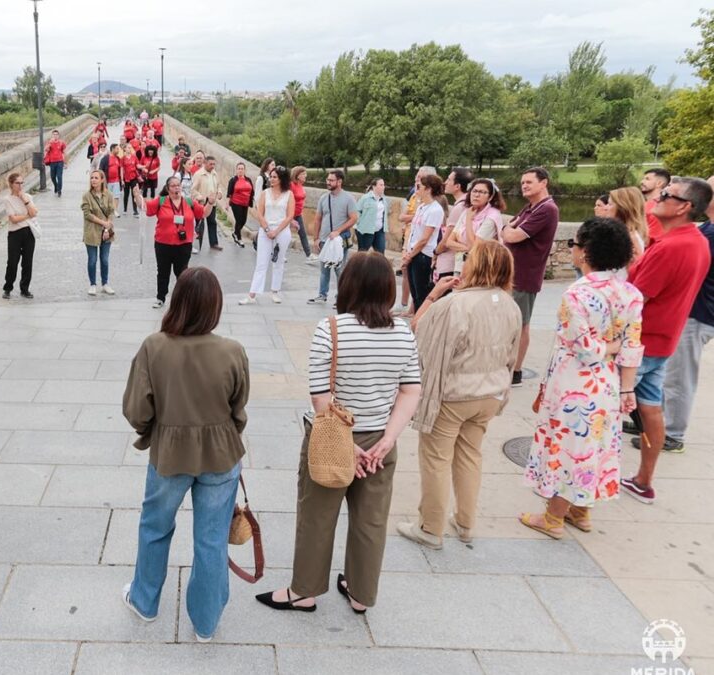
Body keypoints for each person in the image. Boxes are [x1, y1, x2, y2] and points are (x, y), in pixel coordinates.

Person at [257, 253, 421, 614]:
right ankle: (361, 594)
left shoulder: (330, 329)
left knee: (317, 516)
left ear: (348, 285)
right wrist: (388, 440)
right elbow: (410, 390)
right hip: (380, 441)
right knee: (371, 521)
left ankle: (304, 591)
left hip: (332, 439)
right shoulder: (403, 334)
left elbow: (321, 398)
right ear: (388, 289)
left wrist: (348, 445)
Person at [122, 267, 249, 642]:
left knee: (155, 526)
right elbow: (238, 409)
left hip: (170, 453)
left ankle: (145, 601)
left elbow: (136, 408)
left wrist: (152, 432)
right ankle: (206, 622)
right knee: (210, 538)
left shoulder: (154, 346)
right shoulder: (232, 351)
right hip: (221, 453)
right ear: (215, 306)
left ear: (177, 302)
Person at [520, 218, 644, 536]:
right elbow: (632, 346)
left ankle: (553, 518)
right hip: (608, 381)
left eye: (575, 245)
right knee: (595, 444)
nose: (573, 251)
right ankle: (581, 511)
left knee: (568, 447)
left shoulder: (577, 294)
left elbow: (586, 348)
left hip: (574, 380)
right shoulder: (631, 294)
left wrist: (607, 346)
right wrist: (627, 387)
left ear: (586, 251)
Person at [399, 241, 522, 548]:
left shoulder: (455, 304)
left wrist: (433, 294)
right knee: (470, 456)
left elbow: (418, 328)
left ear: (476, 266)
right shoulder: (510, 304)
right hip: (489, 393)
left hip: (454, 393)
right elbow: (512, 353)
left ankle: (430, 528)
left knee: (437, 459)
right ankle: (465, 523)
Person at [621, 177, 713, 503]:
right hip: (660, 342)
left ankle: (584, 490)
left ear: (685, 207)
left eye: (666, 194)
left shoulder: (674, 245)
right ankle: (643, 480)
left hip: (639, 344)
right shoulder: (696, 241)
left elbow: (635, 300)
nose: (657, 197)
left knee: (602, 410)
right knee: (651, 411)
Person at [659, 176, 714, 453]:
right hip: (693, 311)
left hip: (699, 314)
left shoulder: (710, 233)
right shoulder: (707, 229)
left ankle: (673, 433)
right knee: (670, 372)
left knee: (680, 376)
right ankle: (657, 421)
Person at [501, 167, 560, 386]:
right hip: (513, 272)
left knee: (521, 324)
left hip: (526, 275)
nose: (524, 185)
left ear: (543, 183)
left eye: (529, 182)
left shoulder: (547, 209)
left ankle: (515, 370)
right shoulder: (530, 207)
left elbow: (513, 234)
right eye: (522, 182)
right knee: (510, 322)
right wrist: (508, 231)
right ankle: (506, 365)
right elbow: (507, 230)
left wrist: (508, 231)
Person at [141, 176, 212, 309]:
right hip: (163, 243)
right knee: (163, 271)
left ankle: (183, 299)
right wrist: (136, 196)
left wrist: (211, 203)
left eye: (178, 185)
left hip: (184, 244)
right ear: (168, 189)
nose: (177, 188)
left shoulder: (189, 202)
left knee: (182, 273)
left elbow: (203, 213)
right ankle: (160, 298)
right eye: (173, 186)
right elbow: (146, 208)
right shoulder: (161, 201)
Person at [240, 166, 295, 305]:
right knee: (261, 263)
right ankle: (252, 294)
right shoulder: (265, 193)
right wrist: (266, 229)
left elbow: (290, 216)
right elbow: (260, 213)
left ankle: (275, 291)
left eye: (275, 177)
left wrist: (276, 231)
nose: (271, 179)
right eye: (271, 176)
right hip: (265, 230)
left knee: (278, 261)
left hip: (282, 231)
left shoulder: (289, 194)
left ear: (282, 179)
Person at [306, 170, 358, 305]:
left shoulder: (348, 198)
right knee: (324, 268)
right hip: (324, 239)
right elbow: (317, 219)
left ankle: (341, 298)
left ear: (339, 182)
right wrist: (316, 238)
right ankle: (322, 295)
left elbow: (354, 218)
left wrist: (338, 231)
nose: (328, 182)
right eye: (327, 180)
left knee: (339, 269)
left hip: (340, 240)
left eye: (331, 180)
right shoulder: (324, 198)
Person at [442, 178, 506, 276]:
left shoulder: (492, 217)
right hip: (460, 265)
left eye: (482, 192)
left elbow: (474, 246)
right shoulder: (468, 211)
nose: (476, 195)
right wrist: (468, 248)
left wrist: (468, 221)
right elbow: (449, 242)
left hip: (479, 268)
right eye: (474, 191)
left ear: (490, 197)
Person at [403, 174, 446, 312]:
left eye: (419, 186)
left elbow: (424, 239)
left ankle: (421, 322)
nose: (416, 189)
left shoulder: (435, 210)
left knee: (421, 293)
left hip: (422, 255)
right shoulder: (422, 207)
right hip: (414, 252)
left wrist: (410, 255)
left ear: (428, 189)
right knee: (415, 293)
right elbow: (414, 231)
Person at [397, 167, 437, 310]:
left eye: (420, 180)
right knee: (413, 283)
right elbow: (402, 217)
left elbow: (425, 237)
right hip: (411, 245)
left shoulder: (435, 206)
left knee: (421, 288)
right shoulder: (417, 201)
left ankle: (417, 314)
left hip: (423, 252)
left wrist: (410, 255)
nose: (416, 182)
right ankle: (409, 308)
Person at [433, 168, 473, 286]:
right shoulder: (469, 204)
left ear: (457, 186)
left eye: (449, 179)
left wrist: (435, 253)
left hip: (450, 263)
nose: (445, 182)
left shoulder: (460, 207)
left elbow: (446, 241)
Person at [81, 170, 117, 296]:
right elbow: (87, 214)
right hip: (91, 232)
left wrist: (107, 228)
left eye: (96, 178)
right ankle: (92, 284)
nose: (93, 180)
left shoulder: (109, 195)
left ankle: (105, 283)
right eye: (92, 178)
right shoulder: (87, 196)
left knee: (105, 260)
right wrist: (103, 223)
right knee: (92, 260)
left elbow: (111, 212)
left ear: (102, 180)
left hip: (106, 232)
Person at [2, 172, 38, 300]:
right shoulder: (7, 200)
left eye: (22, 182)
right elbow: (13, 219)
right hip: (15, 234)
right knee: (12, 262)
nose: (20, 185)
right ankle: (7, 287)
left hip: (28, 233)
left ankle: (25, 289)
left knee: (27, 262)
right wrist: (28, 216)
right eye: (17, 183)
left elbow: (34, 212)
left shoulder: (27, 196)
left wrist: (25, 200)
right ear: (11, 184)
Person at [594, 187, 648, 264]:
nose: (605, 208)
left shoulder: (629, 238)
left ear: (622, 208)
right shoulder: (624, 233)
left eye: (609, 204)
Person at [191, 155, 223, 253]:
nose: (212, 166)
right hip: (201, 203)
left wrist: (220, 192)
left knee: (212, 222)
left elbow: (218, 185)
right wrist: (199, 196)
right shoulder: (198, 174)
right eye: (210, 164)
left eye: (214, 164)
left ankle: (214, 243)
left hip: (211, 202)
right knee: (199, 224)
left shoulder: (214, 173)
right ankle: (196, 244)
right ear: (205, 163)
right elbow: (193, 190)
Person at [354, 178, 390, 254]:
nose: (383, 187)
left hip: (379, 231)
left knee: (380, 254)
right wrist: (358, 225)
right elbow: (357, 211)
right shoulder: (365, 198)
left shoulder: (384, 199)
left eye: (383, 185)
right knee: (362, 253)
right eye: (381, 185)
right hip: (366, 230)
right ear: (374, 186)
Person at [226, 162, 255, 248]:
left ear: (245, 170)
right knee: (238, 220)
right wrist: (227, 204)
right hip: (236, 203)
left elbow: (252, 191)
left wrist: (253, 200)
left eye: (242, 169)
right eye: (239, 168)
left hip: (245, 203)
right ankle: (239, 239)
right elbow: (229, 193)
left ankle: (235, 233)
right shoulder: (233, 180)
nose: (240, 170)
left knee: (243, 221)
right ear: (236, 170)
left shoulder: (248, 180)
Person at [639, 168, 671, 241]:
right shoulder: (644, 205)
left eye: (647, 179)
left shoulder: (660, 206)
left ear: (659, 183)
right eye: (643, 179)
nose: (642, 182)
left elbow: (653, 238)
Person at [290, 166, 311, 258]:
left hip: (298, 214)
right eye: (303, 174)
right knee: (280, 234)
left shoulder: (301, 186)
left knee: (303, 234)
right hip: (289, 214)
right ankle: (257, 240)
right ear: (297, 175)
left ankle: (309, 255)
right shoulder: (291, 185)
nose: (305, 175)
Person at [43, 129, 67, 197]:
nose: (55, 136)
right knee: (52, 177)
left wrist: (65, 163)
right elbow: (46, 150)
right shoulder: (50, 143)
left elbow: (64, 152)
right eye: (54, 135)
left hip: (60, 161)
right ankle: (56, 186)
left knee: (59, 176)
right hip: (52, 162)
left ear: (58, 136)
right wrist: (50, 144)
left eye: (56, 135)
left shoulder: (62, 143)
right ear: (52, 135)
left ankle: (59, 190)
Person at [102, 144, 123, 216]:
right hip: (107, 181)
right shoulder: (105, 158)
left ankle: (115, 210)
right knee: (107, 196)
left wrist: (122, 180)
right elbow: (101, 169)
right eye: (117, 149)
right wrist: (103, 181)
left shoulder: (118, 158)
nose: (118, 150)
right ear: (113, 149)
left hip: (116, 181)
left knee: (116, 196)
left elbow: (120, 169)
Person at [120, 143, 140, 217]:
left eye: (130, 147)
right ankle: (125, 209)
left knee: (134, 194)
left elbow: (137, 165)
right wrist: (122, 180)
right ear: (125, 149)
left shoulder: (134, 157)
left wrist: (143, 167)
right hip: (126, 179)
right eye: (128, 147)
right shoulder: (123, 158)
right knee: (126, 194)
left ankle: (135, 210)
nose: (130, 149)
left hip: (133, 178)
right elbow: (121, 169)